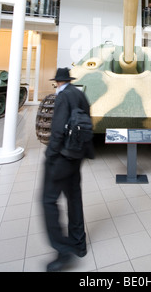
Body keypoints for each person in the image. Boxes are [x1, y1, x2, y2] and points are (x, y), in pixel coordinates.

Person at [42, 67, 94, 272]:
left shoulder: (63, 97)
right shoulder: (80, 94)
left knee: (48, 200)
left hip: (61, 157)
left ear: (57, 82)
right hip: (76, 155)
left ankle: (63, 250)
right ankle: (79, 245)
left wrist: (50, 155)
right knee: (74, 198)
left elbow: (56, 130)